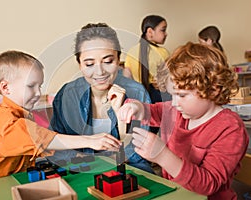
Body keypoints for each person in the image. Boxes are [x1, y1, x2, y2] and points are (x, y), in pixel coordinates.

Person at [0, 50, 121, 198]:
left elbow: (35, 145)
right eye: (31, 86)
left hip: (4, 182)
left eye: (40, 85)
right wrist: (90, 140)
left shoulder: (18, 113)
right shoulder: (6, 121)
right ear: (5, 88)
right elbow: (44, 139)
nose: (38, 92)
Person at [118, 42, 249, 199]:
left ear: (213, 89)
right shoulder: (176, 111)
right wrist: (136, 107)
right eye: (172, 95)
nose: (174, 103)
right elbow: (151, 111)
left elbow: (209, 184)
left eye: (181, 95)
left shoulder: (230, 128)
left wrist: (162, 156)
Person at [49, 23, 154, 173]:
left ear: (118, 59)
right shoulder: (67, 95)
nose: (99, 72)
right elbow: (58, 146)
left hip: (130, 167)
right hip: (81, 167)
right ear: (80, 64)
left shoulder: (136, 92)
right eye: (89, 64)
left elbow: (138, 152)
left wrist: (120, 117)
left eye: (108, 61)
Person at [124, 15, 170, 105]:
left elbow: (127, 76)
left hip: (137, 97)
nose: (166, 34)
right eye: (163, 30)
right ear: (150, 32)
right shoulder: (162, 52)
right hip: (159, 97)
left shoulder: (131, 51)